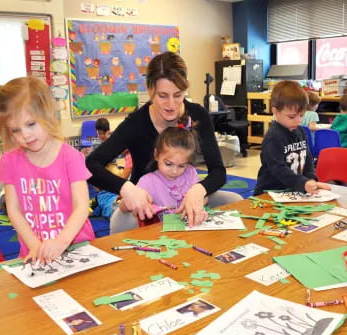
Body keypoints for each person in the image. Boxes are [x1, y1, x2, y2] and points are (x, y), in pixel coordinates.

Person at [86, 52, 242, 233]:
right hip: (147, 204)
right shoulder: (136, 123)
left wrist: (198, 191)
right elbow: (91, 165)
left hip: (184, 196)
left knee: (233, 201)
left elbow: (218, 171)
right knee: (120, 223)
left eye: (178, 95)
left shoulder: (197, 115)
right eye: (162, 95)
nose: (171, 104)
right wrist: (127, 189)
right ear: (150, 90)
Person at [0, 76, 95, 263]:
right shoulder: (9, 161)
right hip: (34, 252)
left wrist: (60, 242)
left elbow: (81, 206)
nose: (25, 135)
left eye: (31, 124)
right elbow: (14, 210)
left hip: (75, 246)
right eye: (15, 130)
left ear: (48, 114)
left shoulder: (70, 157)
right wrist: (34, 245)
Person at [254, 81, 330, 195]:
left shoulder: (301, 131)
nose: (298, 120)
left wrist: (310, 179)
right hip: (271, 193)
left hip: (294, 190)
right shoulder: (273, 136)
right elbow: (278, 169)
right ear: (275, 111)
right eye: (292, 116)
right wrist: (303, 183)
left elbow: (308, 159)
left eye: (301, 115)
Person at [120, 126, 205, 221]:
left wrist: (198, 200)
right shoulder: (148, 181)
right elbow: (123, 207)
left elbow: (205, 198)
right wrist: (129, 201)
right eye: (168, 164)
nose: (174, 171)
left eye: (181, 166)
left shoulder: (190, 172)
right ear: (156, 155)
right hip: (160, 232)